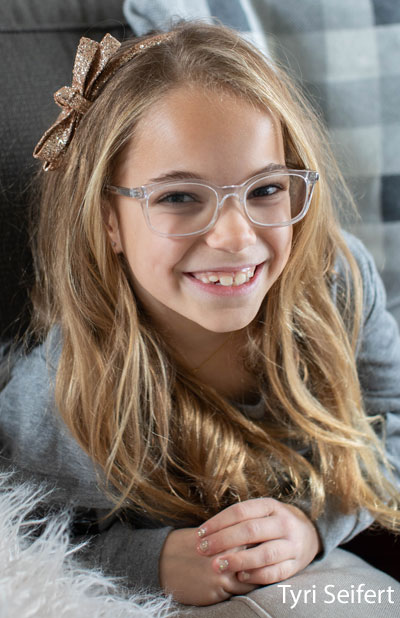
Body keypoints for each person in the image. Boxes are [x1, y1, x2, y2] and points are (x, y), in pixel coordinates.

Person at [1, 21, 400, 617]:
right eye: (180, 197)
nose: (235, 238)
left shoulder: (338, 286)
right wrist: (149, 561)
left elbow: (390, 424)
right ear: (108, 220)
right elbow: (22, 539)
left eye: (265, 190)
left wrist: (315, 526)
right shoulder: (65, 389)